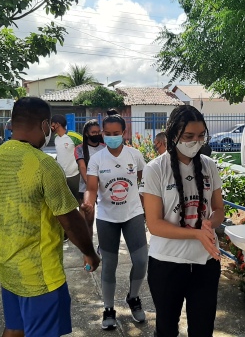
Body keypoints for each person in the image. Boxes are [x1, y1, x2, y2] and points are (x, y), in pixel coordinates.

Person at [0, 97, 100, 337]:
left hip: (8, 267)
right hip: (40, 277)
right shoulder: (44, 165)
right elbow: (69, 219)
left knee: (15, 328)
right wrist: (90, 251)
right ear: (46, 125)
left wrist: (10, 248)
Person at [140, 105, 225, 337]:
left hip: (206, 262)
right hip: (167, 263)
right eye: (188, 136)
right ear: (173, 134)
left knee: (203, 329)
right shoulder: (155, 169)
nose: (195, 141)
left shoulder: (209, 165)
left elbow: (219, 209)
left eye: (200, 136)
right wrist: (196, 233)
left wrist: (209, 224)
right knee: (166, 329)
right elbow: (155, 224)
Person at [82, 109, 148, 330]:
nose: (111, 136)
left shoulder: (134, 155)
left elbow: (144, 181)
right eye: (107, 133)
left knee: (141, 261)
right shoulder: (97, 159)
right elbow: (91, 188)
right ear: (102, 133)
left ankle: (133, 297)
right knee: (109, 264)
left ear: (124, 132)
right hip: (107, 217)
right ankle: (109, 308)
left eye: (116, 132)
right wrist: (88, 202)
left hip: (133, 214)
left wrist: (146, 203)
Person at [74, 119, 106, 238]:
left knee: (104, 218)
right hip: (86, 188)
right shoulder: (79, 149)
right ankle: (88, 247)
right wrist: (91, 184)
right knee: (88, 220)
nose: (97, 134)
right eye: (93, 132)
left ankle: (102, 245)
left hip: (104, 188)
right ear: (87, 134)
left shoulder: (105, 147)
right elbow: (82, 167)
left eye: (98, 131)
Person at [51, 115, 80, 201]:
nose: (50, 127)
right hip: (61, 177)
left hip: (75, 175)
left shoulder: (73, 136)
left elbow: (86, 146)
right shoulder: (56, 138)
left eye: (52, 124)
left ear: (57, 124)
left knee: (79, 201)